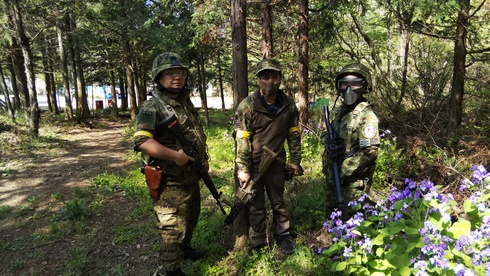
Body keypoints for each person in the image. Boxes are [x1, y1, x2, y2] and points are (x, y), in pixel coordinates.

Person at [133, 52, 207, 276]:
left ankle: (184, 251)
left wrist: (202, 161)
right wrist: (175, 156)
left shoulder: (184, 102)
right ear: (158, 77)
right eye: (170, 73)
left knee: (192, 216)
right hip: (170, 179)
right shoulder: (151, 106)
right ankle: (171, 270)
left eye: (181, 73)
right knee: (171, 227)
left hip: (190, 174)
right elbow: (142, 142)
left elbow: (194, 134)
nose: (177, 77)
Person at [234, 58, 302, 255]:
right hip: (253, 164)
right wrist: (244, 169)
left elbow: (293, 134)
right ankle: (258, 241)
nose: (270, 81)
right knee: (255, 204)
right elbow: (242, 140)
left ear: (280, 78)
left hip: (277, 162)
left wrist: (295, 161)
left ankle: (283, 235)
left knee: (278, 201)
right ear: (258, 79)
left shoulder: (288, 104)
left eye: (274, 76)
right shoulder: (248, 105)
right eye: (265, 76)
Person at [322, 63, 380, 219]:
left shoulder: (366, 115)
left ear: (364, 86)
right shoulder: (342, 111)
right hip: (334, 175)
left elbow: (370, 153)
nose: (349, 89)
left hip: (353, 183)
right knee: (333, 218)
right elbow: (331, 132)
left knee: (353, 223)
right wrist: (328, 141)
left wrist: (343, 170)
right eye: (344, 84)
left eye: (354, 84)